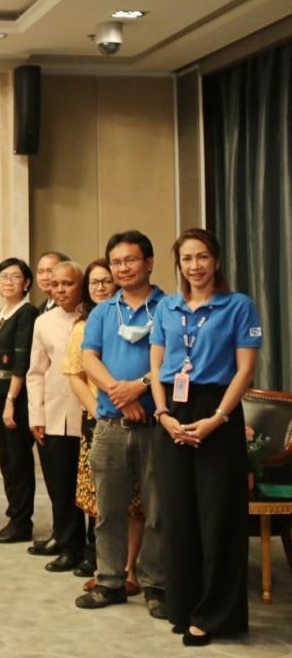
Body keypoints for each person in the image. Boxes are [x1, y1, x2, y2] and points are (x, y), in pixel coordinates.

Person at [149, 228, 261, 646]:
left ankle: (216, 615)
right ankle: (184, 605)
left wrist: (218, 418)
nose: (194, 266)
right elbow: (155, 365)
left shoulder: (238, 306)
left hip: (219, 409)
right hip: (172, 410)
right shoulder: (167, 307)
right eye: (187, 259)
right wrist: (162, 413)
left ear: (215, 261)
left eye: (202, 257)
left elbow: (245, 370)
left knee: (219, 518)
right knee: (177, 515)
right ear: (178, 265)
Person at [74, 230, 167, 620]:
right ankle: (110, 580)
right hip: (111, 424)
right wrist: (119, 394)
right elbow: (88, 358)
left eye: (130, 260)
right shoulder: (102, 312)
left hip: (158, 425)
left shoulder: (168, 307)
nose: (122, 268)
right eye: (116, 262)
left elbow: (175, 359)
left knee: (159, 511)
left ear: (149, 262)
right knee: (108, 510)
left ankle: (156, 584)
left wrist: (139, 386)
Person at [66, 259, 144, 590]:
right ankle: (107, 568)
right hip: (100, 417)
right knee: (103, 500)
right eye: (94, 282)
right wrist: (101, 409)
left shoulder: (146, 314)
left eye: (105, 281)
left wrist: (127, 398)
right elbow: (76, 374)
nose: (100, 287)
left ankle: (130, 569)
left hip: (141, 414)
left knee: (137, 502)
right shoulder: (84, 325)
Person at [25, 260, 86, 572]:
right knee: (60, 485)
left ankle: (92, 549)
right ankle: (67, 543)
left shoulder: (94, 316)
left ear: (81, 284)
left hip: (87, 412)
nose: (61, 290)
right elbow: (36, 372)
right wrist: (36, 415)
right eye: (56, 284)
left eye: (68, 283)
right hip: (53, 414)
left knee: (88, 487)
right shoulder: (43, 322)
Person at [0, 257, 39, 544]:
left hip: (14, 396)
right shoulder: (0, 314)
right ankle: (14, 516)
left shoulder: (26, 313)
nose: (8, 281)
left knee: (18, 460)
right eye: (3, 276)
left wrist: (10, 400)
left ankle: (21, 521)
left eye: (15, 276)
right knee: (5, 460)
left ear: (26, 283)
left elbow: (22, 360)